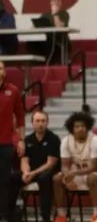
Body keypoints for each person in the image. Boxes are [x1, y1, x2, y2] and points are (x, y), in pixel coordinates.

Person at [53, 112, 97, 222]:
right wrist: (67, 177)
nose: (80, 129)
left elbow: (94, 166)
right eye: (77, 126)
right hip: (76, 174)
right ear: (72, 129)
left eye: (83, 126)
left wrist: (74, 173)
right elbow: (64, 166)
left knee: (92, 178)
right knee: (57, 179)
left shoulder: (95, 140)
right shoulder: (66, 141)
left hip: (91, 173)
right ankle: (61, 216)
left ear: (87, 127)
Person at [20, 111, 60, 222]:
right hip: (32, 172)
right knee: (13, 178)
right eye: (37, 121)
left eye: (43, 121)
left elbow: (50, 163)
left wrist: (33, 173)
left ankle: (45, 217)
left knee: (44, 178)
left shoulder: (53, 138)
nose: (40, 124)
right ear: (32, 123)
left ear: (47, 123)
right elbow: (24, 160)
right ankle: (9, 214)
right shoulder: (28, 139)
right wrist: (25, 172)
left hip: (48, 172)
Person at [0, 60, 25, 222]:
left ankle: (3, 215)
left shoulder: (13, 90)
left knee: (4, 181)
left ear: (5, 71)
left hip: (5, 143)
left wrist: (21, 139)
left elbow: (20, 117)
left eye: (1, 68)